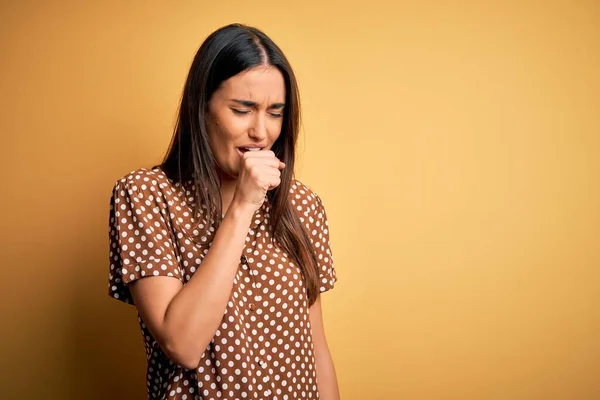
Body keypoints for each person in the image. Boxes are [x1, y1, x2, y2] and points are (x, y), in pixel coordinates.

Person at [107, 23, 339, 400]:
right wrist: (243, 207)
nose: (261, 132)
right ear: (202, 108)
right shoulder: (146, 196)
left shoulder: (302, 205)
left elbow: (316, 348)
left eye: (275, 113)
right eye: (242, 110)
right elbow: (182, 344)